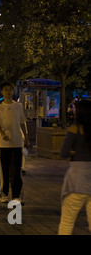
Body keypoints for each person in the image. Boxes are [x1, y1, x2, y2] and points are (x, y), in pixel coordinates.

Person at [58, 100, 91, 235]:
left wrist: (74, 152)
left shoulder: (74, 129)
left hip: (77, 180)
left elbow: (63, 153)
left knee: (67, 221)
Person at [0, 81, 29, 204]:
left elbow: (22, 123)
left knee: (16, 170)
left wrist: (26, 139)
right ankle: (4, 193)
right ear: (2, 92)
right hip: (2, 144)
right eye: (5, 89)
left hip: (17, 141)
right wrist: (2, 134)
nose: (8, 92)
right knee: (3, 170)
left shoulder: (18, 106)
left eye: (10, 89)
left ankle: (16, 195)